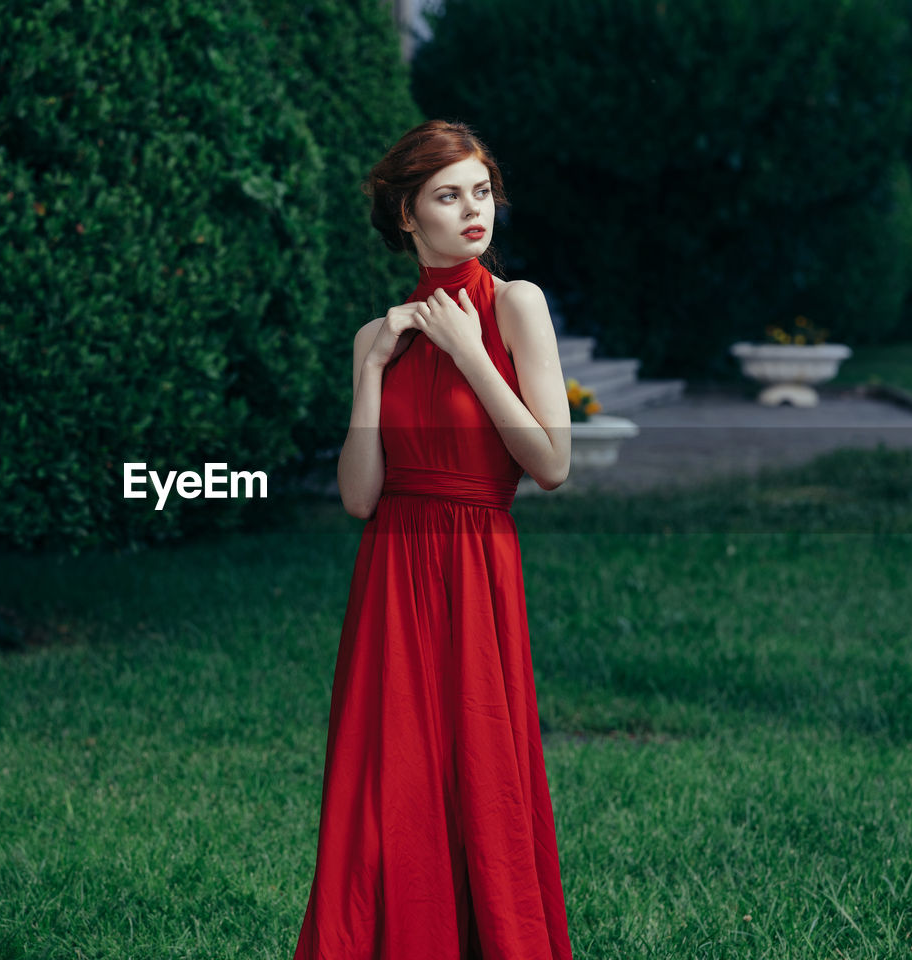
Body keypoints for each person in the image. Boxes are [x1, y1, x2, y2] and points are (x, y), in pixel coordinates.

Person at [292, 119, 575, 959]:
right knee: (389, 783)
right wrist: (374, 371)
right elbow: (357, 495)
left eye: (481, 191)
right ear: (408, 216)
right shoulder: (375, 337)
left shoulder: (515, 303)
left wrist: (469, 352)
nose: (472, 210)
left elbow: (552, 462)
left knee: (483, 773)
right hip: (391, 574)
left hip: (478, 562)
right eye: (448, 196)